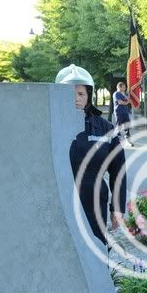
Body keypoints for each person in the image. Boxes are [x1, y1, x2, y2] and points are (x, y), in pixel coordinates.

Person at [55, 64, 127, 247]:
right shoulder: (50, 127)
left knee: (96, 249)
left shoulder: (105, 129)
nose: (76, 99)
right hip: (59, 204)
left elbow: (118, 170)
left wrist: (117, 207)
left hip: (93, 202)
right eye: (70, 93)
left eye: (80, 94)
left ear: (88, 96)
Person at [113, 81, 133, 147]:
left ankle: (128, 141)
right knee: (118, 127)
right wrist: (127, 102)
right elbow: (120, 102)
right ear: (119, 87)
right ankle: (117, 142)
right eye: (124, 87)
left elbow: (129, 101)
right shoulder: (116, 94)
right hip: (119, 112)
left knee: (127, 127)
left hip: (125, 112)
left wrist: (127, 98)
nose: (125, 88)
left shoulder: (123, 94)